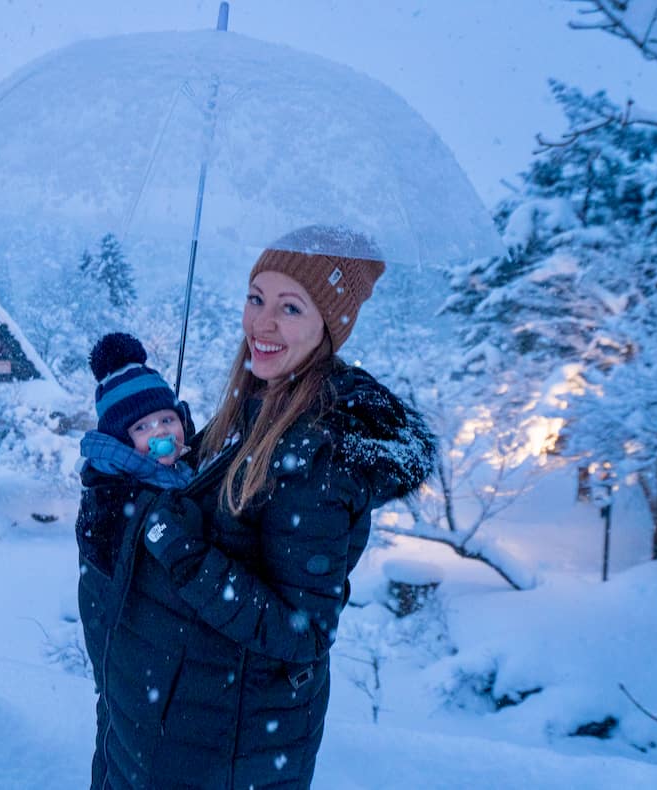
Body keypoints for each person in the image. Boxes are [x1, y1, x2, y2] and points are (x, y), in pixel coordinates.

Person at [90, 226, 437, 789]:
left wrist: (179, 548)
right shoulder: (253, 409)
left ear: (330, 326)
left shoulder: (320, 456)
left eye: (290, 307)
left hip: (223, 754)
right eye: (256, 298)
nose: (262, 323)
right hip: (168, 734)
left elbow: (301, 634)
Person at [74, 332, 195, 788]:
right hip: (130, 659)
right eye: (143, 428)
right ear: (121, 440)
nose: (161, 433)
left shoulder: (169, 473)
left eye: (168, 418)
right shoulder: (117, 493)